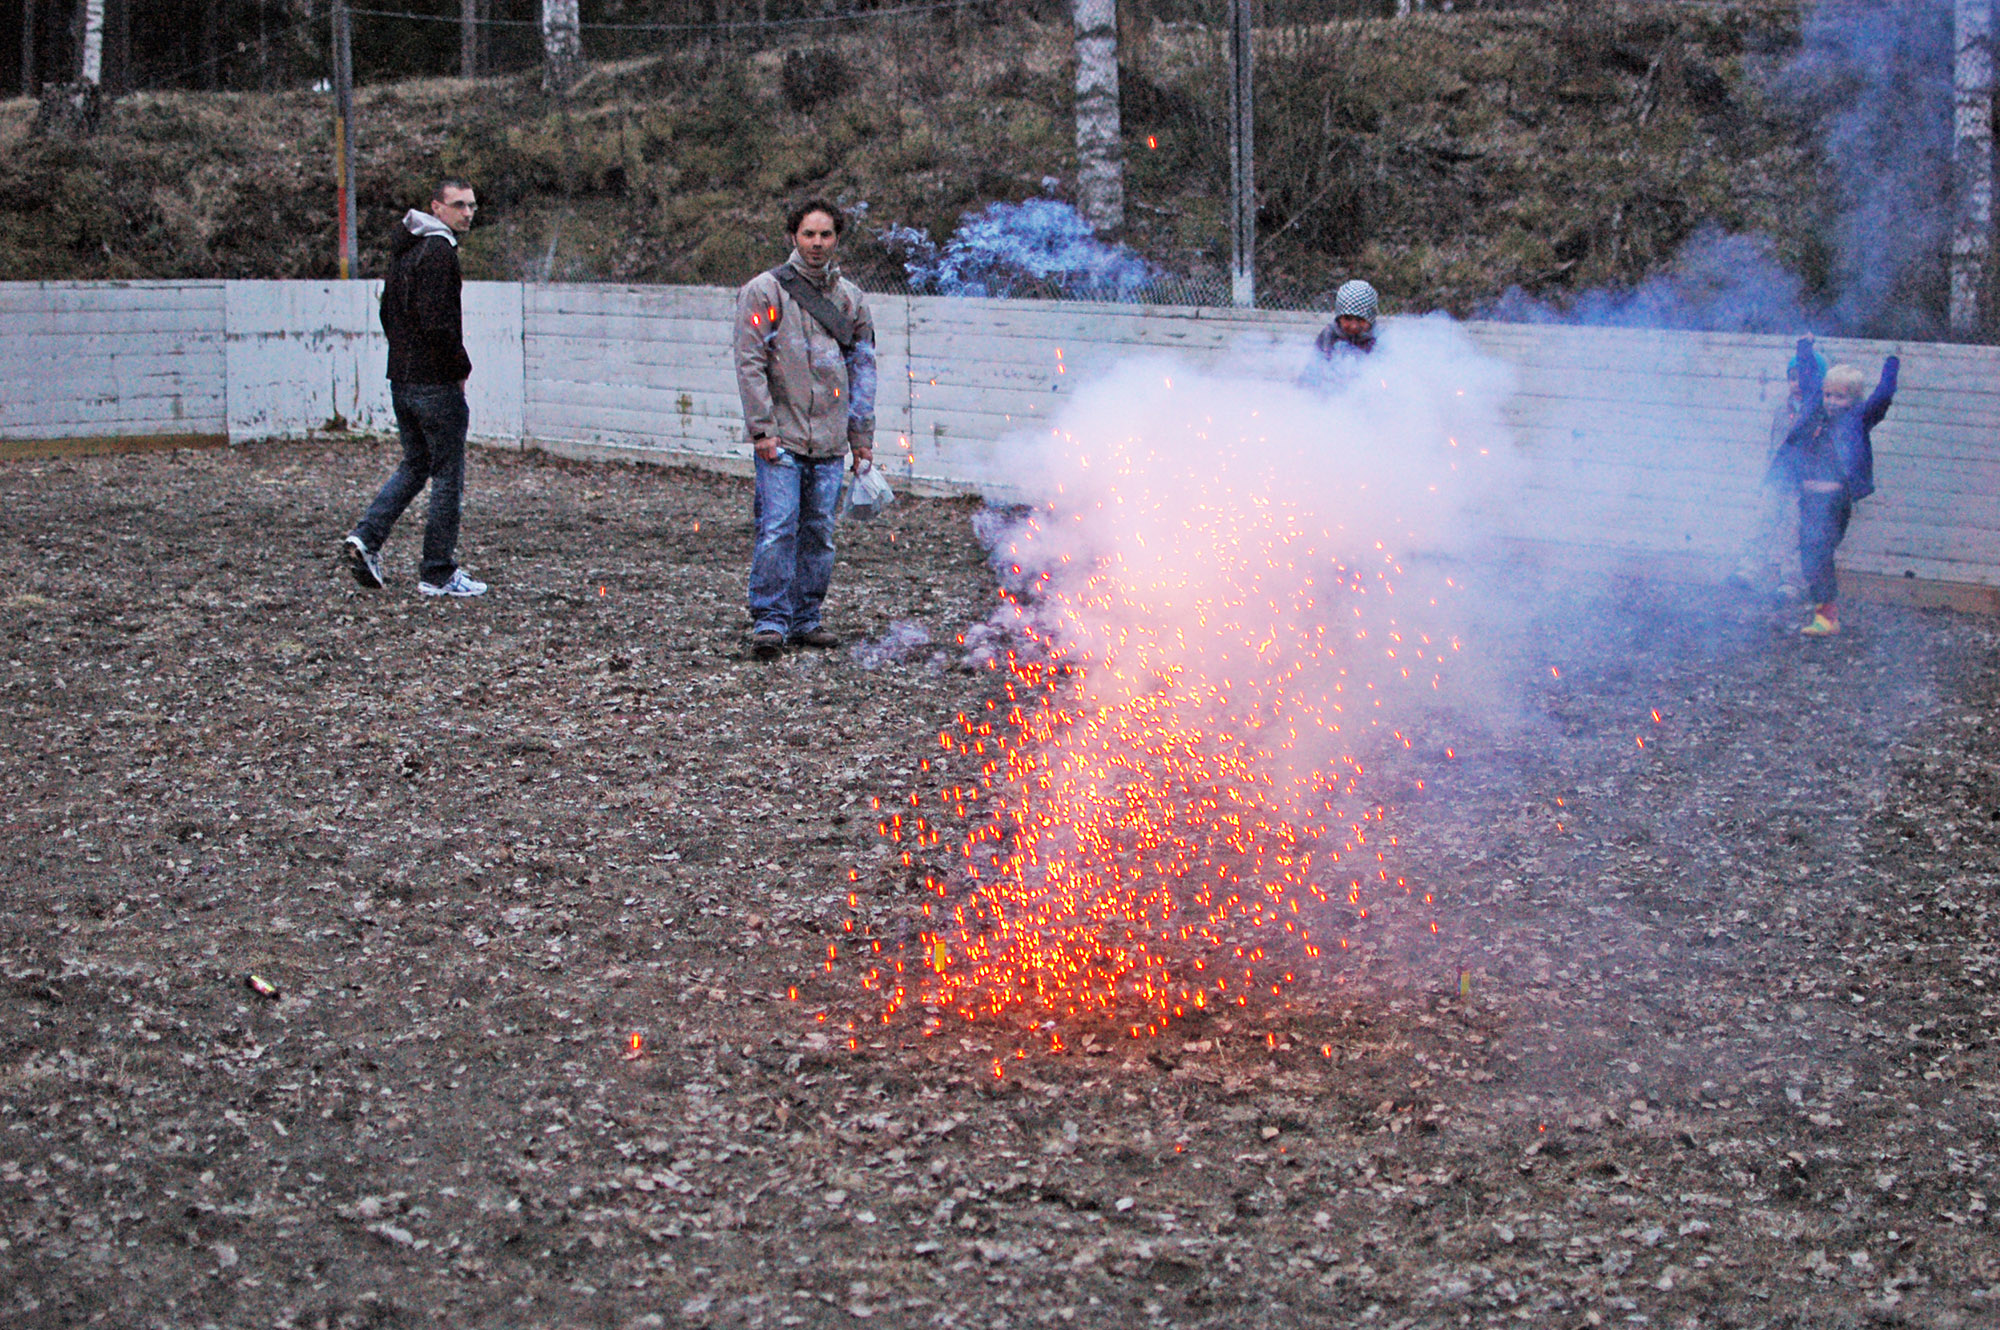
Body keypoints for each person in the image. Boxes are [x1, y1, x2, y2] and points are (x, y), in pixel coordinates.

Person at [733, 199, 878, 660]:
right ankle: (770, 622)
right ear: (793, 236)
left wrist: (862, 440)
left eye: (826, 235)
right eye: (809, 234)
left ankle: (805, 619)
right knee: (777, 528)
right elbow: (750, 362)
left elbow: (864, 371)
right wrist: (762, 429)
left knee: (819, 532)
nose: (817, 243)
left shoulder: (851, 299)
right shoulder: (765, 291)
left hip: (832, 441)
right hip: (783, 436)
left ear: (837, 239)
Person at [342, 177, 487, 598]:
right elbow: (440, 324)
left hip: (402, 379)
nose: (468, 213)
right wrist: (460, 367)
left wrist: (404, 356)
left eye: (472, 206)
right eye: (459, 205)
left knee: (415, 464)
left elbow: (389, 312)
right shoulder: (439, 251)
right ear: (436, 208)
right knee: (447, 477)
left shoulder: (405, 250)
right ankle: (438, 571)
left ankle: (367, 537)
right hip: (434, 384)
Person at [1769, 335, 1899, 637]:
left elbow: (1883, 396)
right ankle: (1825, 615)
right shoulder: (1815, 411)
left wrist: (1892, 363)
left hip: (1834, 502)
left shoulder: (1859, 418)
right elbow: (1811, 378)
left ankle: (1827, 617)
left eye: (1839, 397)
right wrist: (1804, 348)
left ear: (1853, 399)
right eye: (1828, 395)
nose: (1831, 402)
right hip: (1809, 500)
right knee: (1810, 557)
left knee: (1819, 553)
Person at [1728, 342, 1824, 598]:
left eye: (1803, 377)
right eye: (1792, 378)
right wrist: (1766, 478)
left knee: (1795, 531)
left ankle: (1792, 582)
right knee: (1764, 521)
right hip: (1778, 478)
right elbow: (1774, 446)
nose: (1796, 383)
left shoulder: (1820, 414)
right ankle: (1749, 570)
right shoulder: (1782, 411)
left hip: (1803, 483)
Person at [1298, 278, 1379, 392]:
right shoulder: (1329, 335)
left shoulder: (1379, 340)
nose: (1354, 326)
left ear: (1371, 318)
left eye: (1361, 320)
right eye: (1347, 318)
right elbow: (1311, 371)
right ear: (1339, 316)